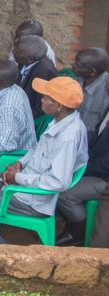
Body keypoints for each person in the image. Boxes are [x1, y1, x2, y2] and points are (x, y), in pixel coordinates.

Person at [0, 76, 88, 242]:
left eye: (46, 98)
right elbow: (36, 150)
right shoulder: (59, 121)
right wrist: (19, 163)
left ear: (59, 106)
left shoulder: (68, 136)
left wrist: (17, 177)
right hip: (22, 183)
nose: (41, 100)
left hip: (31, 200)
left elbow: (58, 182)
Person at [56, 94, 109, 246]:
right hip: (95, 168)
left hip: (104, 178)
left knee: (64, 193)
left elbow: (106, 163)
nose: (107, 81)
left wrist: (85, 169)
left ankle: (78, 231)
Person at [13, 34, 58, 119]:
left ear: (28, 58)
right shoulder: (24, 62)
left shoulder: (43, 71)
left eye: (17, 51)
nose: (13, 52)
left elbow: (39, 109)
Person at [71, 47, 109, 135]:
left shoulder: (106, 91)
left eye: (78, 65)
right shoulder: (77, 79)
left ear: (92, 72)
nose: (73, 66)